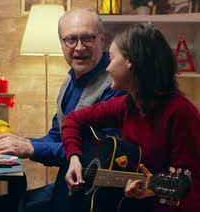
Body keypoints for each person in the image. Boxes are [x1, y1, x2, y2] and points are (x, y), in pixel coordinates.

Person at [0, 8, 125, 212]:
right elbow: (58, 136)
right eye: (71, 40)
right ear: (61, 43)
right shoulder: (69, 81)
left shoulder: (115, 85)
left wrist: (32, 149)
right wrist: (23, 142)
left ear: (102, 39)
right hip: (65, 189)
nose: (79, 47)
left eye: (88, 38)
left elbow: (100, 158)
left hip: (92, 199)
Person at [63, 23, 200, 211]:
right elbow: (73, 120)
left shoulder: (180, 113)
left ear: (130, 62)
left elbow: (192, 186)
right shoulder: (127, 105)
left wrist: (153, 191)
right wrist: (74, 158)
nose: (108, 68)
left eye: (111, 59)